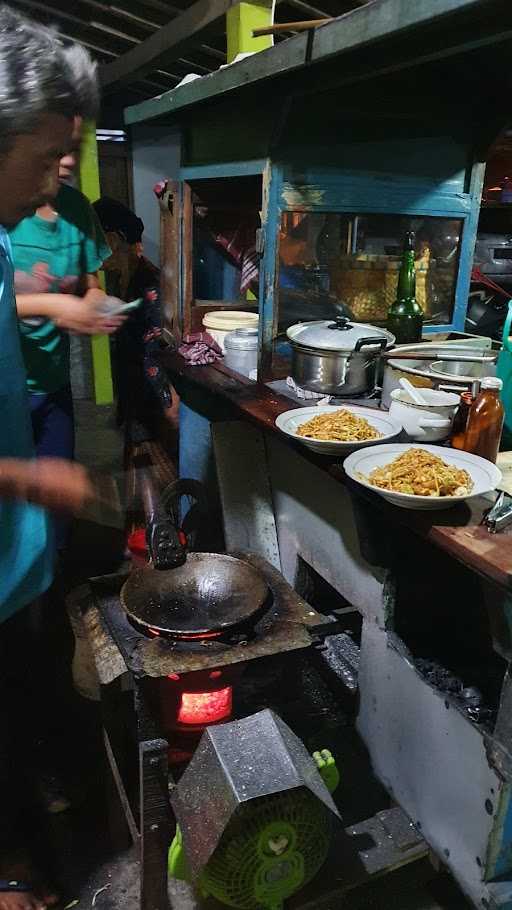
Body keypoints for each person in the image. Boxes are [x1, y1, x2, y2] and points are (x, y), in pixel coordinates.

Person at [0, 7, 101, 909]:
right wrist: (28, 475)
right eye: (45, 153)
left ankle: (30, 828)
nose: (58, 171)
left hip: (9, 563)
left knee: (20, 703)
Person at [9, 119, 119, 548]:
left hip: (53, 386)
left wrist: (93, 302)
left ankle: (48, 597)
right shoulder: (7, 213)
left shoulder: (76, 210)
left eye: (74, 147)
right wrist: (52, 305)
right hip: (8, 390)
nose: (69, 159)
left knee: (55, 511)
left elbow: (90, 281)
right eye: (56, 147)